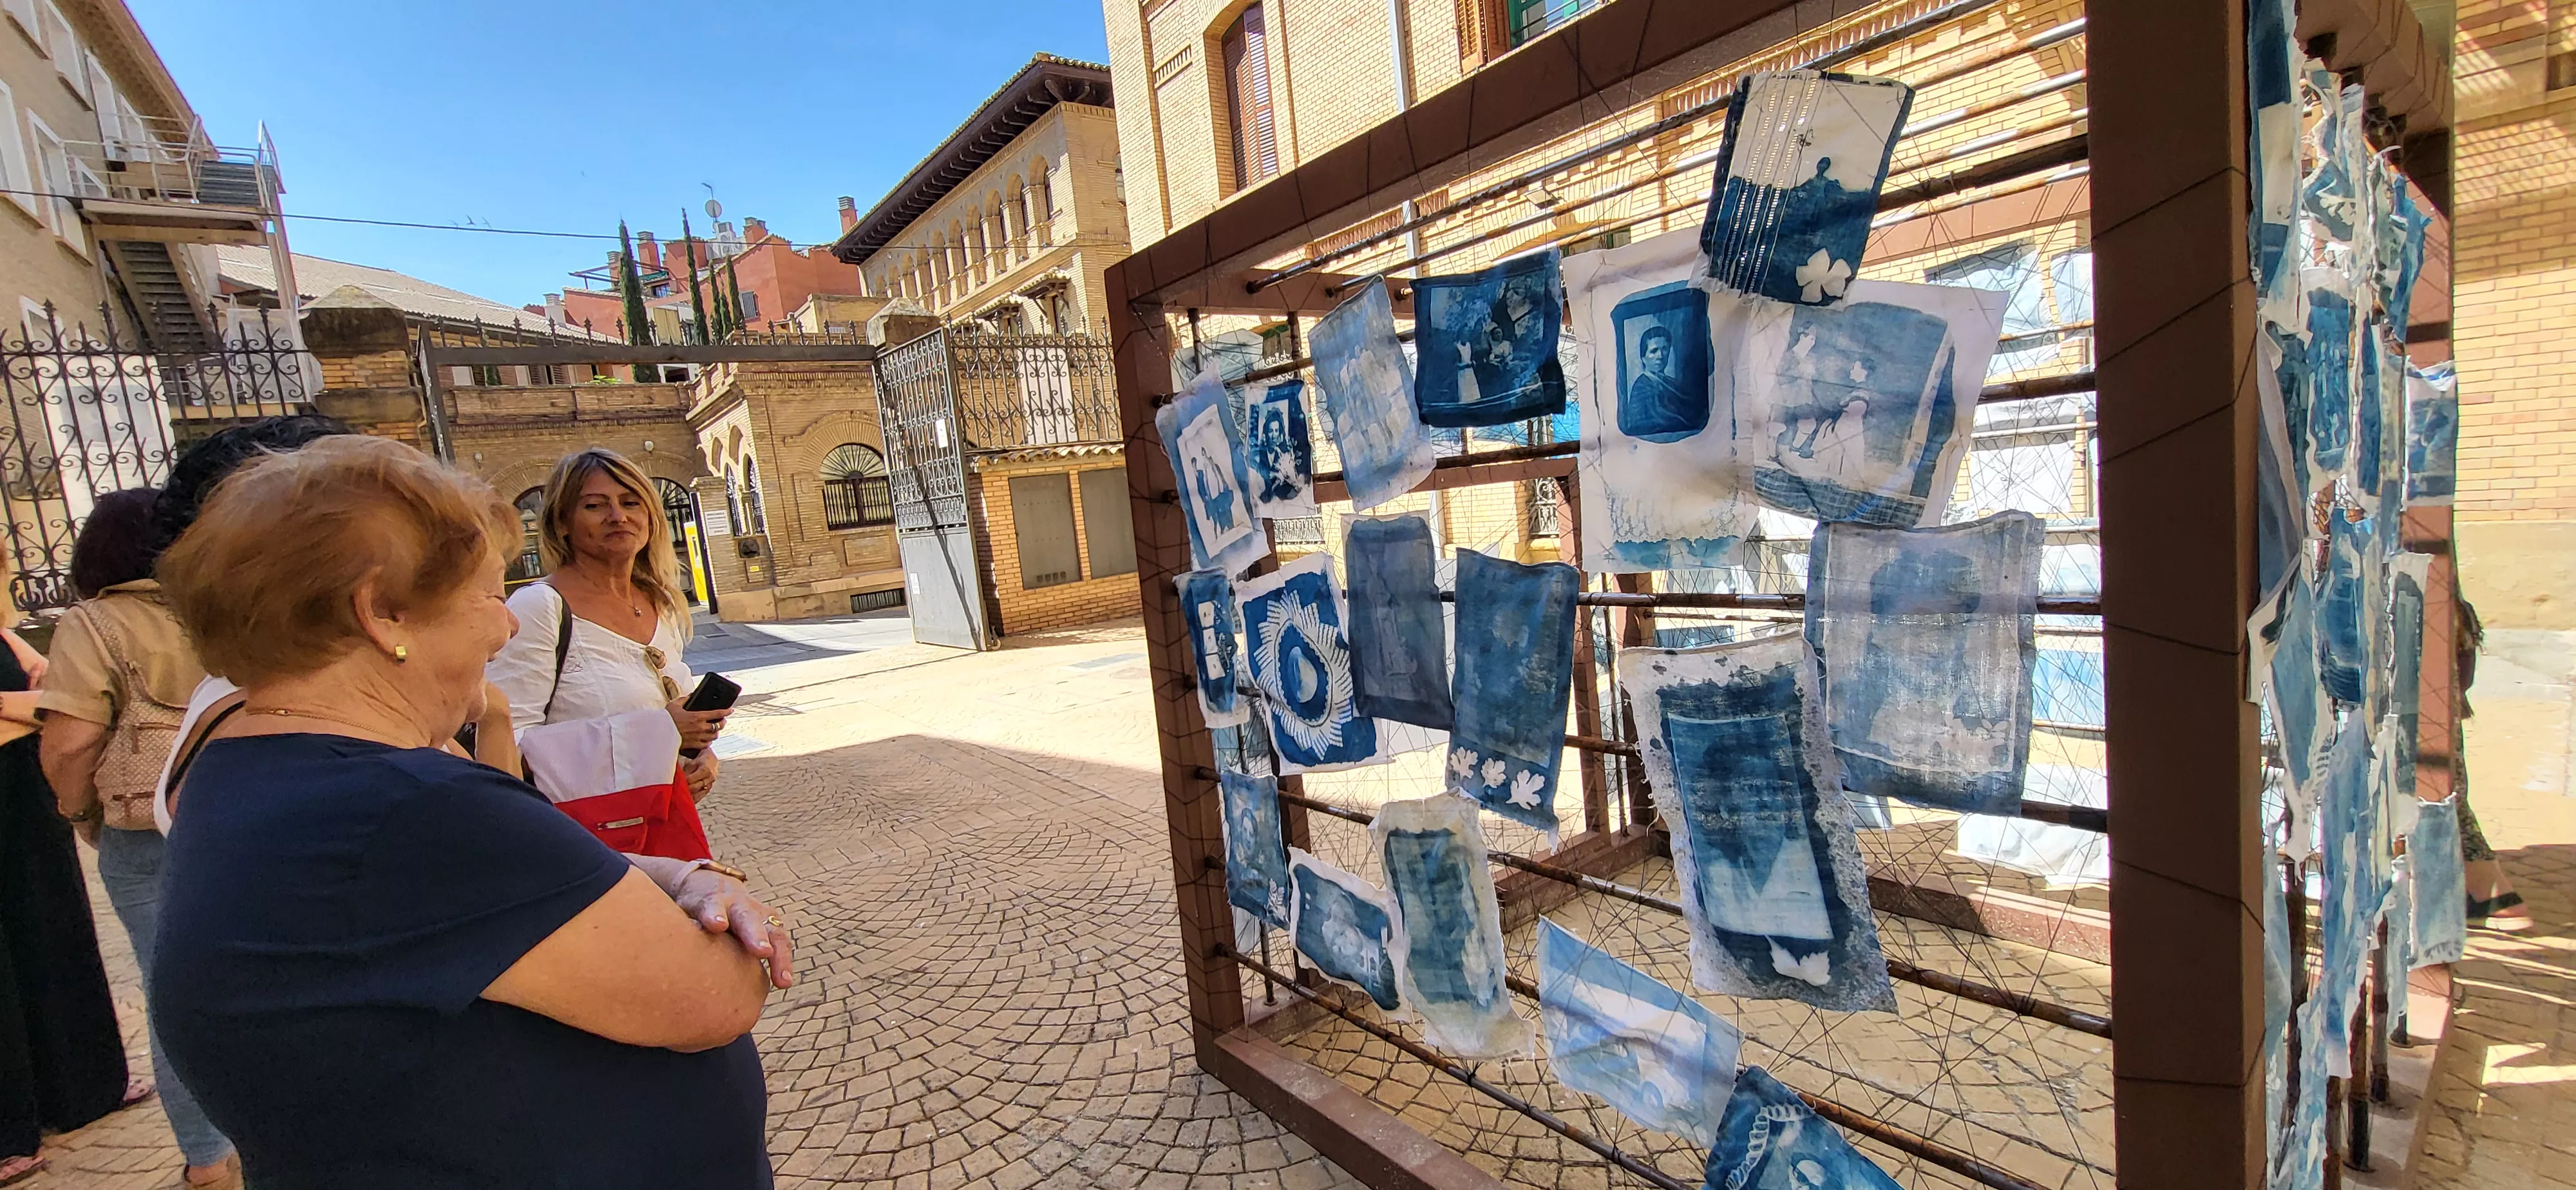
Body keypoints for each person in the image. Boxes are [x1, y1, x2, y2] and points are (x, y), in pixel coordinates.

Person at [151, 435, 791, 1187]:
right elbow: (714, 995)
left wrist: (687, 876)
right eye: (488, 594)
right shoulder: (407, 808)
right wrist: (727, 902)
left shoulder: (249, 764)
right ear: (382, 615)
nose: (507, 625)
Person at [36, 489, 238, 1188]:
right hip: (243, 808)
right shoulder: (224, 602)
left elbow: (69, 741)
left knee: (171, 995)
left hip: (144, 828)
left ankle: (209, 1160)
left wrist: (78, 814)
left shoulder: (95, 623)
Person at [488, 450, 724, 857]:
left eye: (631, 503)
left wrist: (701, 756)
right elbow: (507, 746)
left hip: (663, 827)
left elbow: (673, 714)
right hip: (580, 843)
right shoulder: (540, 607)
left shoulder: (659, 603)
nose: (618, 516)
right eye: (595, 506)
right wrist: (660, 733)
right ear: (562, 524)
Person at [0, 617, 137, 1185]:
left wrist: (34, 698)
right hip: (20, 762)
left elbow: (44, 682)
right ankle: (10, 1128)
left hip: (20, 777)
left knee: (55, 925)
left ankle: (85, 1086)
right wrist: (38, 705)